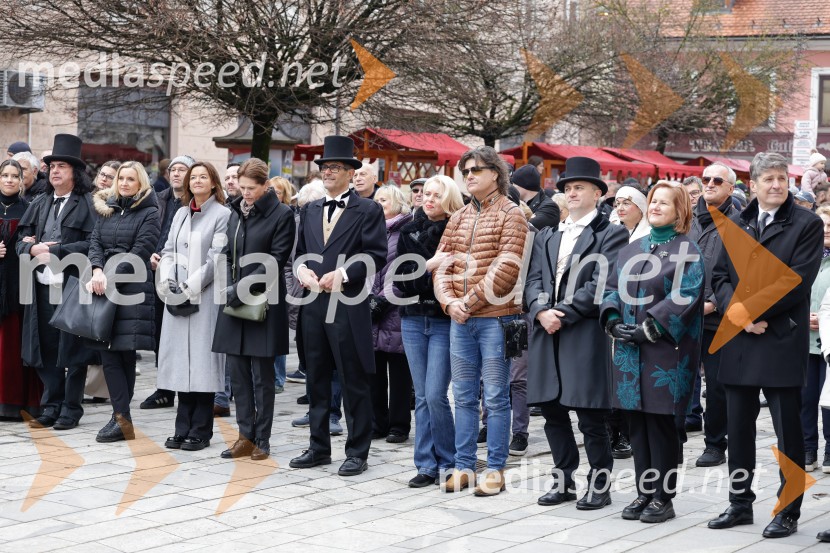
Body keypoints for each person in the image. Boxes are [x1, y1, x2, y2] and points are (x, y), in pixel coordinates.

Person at [709, 152, 823, 539]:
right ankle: (739, 503)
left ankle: (788, 510)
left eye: (781, 178)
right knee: (737, 429)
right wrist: (737, 313)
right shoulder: (737, 221)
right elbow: (720, 276)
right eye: (768, 179)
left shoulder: (806, 223)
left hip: (781, 336)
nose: (776, 185)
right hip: (740, 338)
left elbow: (795, 280)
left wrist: (753, 312)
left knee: (787, 432)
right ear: (752, 185)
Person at [524, 156, 628, 509]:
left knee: (590, 415)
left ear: (597, 193)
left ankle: (599, 484)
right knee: (552, 412)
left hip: (582, 332)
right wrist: (540, 311)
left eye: (578, 187)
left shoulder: (611, 233)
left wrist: (562, 314)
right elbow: (533, 279)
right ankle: (563, 480)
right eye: (567, 188)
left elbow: (602, 284)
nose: (571, 193)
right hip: (545, 331)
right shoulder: (548, 234)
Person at [602, 181, 704, 524]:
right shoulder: (632, 250)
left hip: (666, 352)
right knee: (636, 425)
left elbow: (686, 296)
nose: (656, 206)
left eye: (665, 202)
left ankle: (664, 496)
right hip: (629, 352)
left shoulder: (687, 250)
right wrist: (613, 320)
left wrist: (649, 327)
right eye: (653, 201)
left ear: (680, 211)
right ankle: (644, 492)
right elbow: (612, 288)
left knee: (662, 425)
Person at [433, 145, 528, 496]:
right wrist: (448, 303)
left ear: (496, 174)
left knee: (496, 396)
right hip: (461, 320)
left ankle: (496, 469)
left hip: (495, 320)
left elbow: (506, 269)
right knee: (462, 395)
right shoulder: (458, 217)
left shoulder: (512, 214)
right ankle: (463, 466)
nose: (469, 175)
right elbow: (441, 263)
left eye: (477, 170)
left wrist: (466, 303)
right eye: (466, 170)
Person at [290, 135, 387, 477]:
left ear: (350, 172)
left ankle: (357, 451)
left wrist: (344, 274)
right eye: (324, 167)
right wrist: (300, 268)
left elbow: (376, 255)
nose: (328, 172)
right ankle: (318, 447)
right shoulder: (310, 208)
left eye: (334, 167)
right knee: (315, 377)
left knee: (352, 379)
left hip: (348, 304)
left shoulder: (369, 209)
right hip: (314, 303)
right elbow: (300, 250)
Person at [212, 158, 294, 460]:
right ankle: (244, 436)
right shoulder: (234, 211)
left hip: (263, 304)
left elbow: (275, 259)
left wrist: (240, 288)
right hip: (233, 303)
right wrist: (226, 283)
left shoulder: (282, 214)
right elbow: (225, 252)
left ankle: (263, 438)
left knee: (262, 376)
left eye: (251, 188)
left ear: (265, 185)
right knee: (238, 374)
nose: (244, 193)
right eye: (241, 187)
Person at [17, 134, 97, 430]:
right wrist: (31, 248)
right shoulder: (39, 202)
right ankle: (52, 404)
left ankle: (71, 408)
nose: (55, 171)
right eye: (51, 167)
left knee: (73, 349)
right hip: (40, 284)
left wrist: (56, 250)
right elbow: (19, 242)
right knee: (47, 347)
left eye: (61, 166)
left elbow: (94, 243)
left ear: (74, 172)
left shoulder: (88, 204)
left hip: (72, 284)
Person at [156, 162, 230, 451]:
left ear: (213, 183)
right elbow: (168, 251)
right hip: (175, 296)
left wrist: (190, 287)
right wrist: (169, 284)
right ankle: (181, 426)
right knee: (179, 364)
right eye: (193, 177)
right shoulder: (180, 214)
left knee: (202, 365)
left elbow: (216, 256)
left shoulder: (223, 214)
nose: (197, 181)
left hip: (205, 297)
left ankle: (201, 429)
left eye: (203, 176)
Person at [396, 175, 463, 486]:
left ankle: (448, 461)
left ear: (448, 198)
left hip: (442, 318)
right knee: (421, 396)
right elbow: (401, 280)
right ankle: (425, 464)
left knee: (436, 395)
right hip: (411, 317)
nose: (428, 199)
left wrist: (423, 270)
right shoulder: (409, 229)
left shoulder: (457, 230)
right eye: (425, 194)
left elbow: (454, 280)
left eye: (436, 194)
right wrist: (430, 265)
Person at [86, 161, 160, 442]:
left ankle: (121, 418)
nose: (125, 183)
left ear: (141, 183)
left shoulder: (150, 212)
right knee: (109, 353)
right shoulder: (108, 208)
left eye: (131, 179)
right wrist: (96, 269)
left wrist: (107, 274)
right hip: (103, 286)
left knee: (123, 354)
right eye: (122, 178)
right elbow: (95, 243)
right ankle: (122, 417)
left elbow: (141, 250)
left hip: (132, 291)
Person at [686, 162, 738, 468]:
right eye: (707, 179)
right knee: (677, 379)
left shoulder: (740, 222)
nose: (710, 183)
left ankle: (715, 443)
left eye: (718, 180)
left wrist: (715, 302)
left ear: (731, 188)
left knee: (717, 386)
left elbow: (743, 273)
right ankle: (673, 435)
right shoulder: (687, 220)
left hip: (719, 319)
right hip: (682, 316)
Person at [141, 154, 194, 410]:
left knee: (178, 332)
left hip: (182, 274)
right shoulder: (157, 198)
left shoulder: (194, 202)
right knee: (159, 332)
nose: (176, 173)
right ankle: (163, 389)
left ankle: (179, 386)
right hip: (155, 270)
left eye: (182, 169)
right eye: (173, 169)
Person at [369, 185, 413, 443]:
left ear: (398, 203)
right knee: (373, 371)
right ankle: (377, 422)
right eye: (376, 200)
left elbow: (405, 271)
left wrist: (382, 300)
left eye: (383, 200)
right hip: (370, 308)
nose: (378, 204)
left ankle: (399, 425)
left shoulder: (405, 230)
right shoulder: (370, 229)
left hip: (395, 309)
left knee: (399, 373)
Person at [0, 160, 40, 419]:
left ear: (23, 179)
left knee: (15, 343)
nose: (10, 180)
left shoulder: (30, 209)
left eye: (15, 175)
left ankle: (15, 401)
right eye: (5, 174)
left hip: (19, 283)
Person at [803, 206, 830, 472]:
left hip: (829, 342)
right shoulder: (804, 258)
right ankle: (808, 447)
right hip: (804, 340)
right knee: (805, 398)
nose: (827, 229)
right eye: (823, 224)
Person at [512, 164, 560, 231]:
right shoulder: (519, 202)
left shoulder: (550, 208)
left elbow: (523, 229)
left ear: (524, 186)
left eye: (514, 184)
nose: (512, 187)